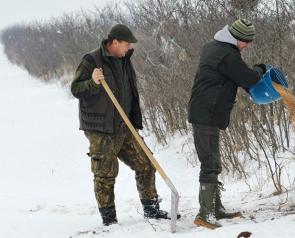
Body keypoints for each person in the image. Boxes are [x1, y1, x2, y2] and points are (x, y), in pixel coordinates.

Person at [71, 24, 172, 226]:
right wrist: (92, 82)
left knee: (145, 163)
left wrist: (133, 120)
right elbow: (76, 89)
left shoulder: (124, 60)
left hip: (124, 125)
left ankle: (151, 209)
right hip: (101, 128)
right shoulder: (92, 60)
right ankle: (109, 220)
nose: (128, 48)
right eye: (126, 44)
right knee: (105, 175)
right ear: (114, 42)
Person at [187, 19, 267, 229]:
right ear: (237, 38)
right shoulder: (226, 54)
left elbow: (234, 77)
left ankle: (215, 209)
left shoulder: (215, 47)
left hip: (206, 111)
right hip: (206, 112)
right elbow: (249, 79)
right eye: (246, 42)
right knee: (210, 164)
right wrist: (260, 69)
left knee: (213, 161)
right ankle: (205, 215)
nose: (247, 45)